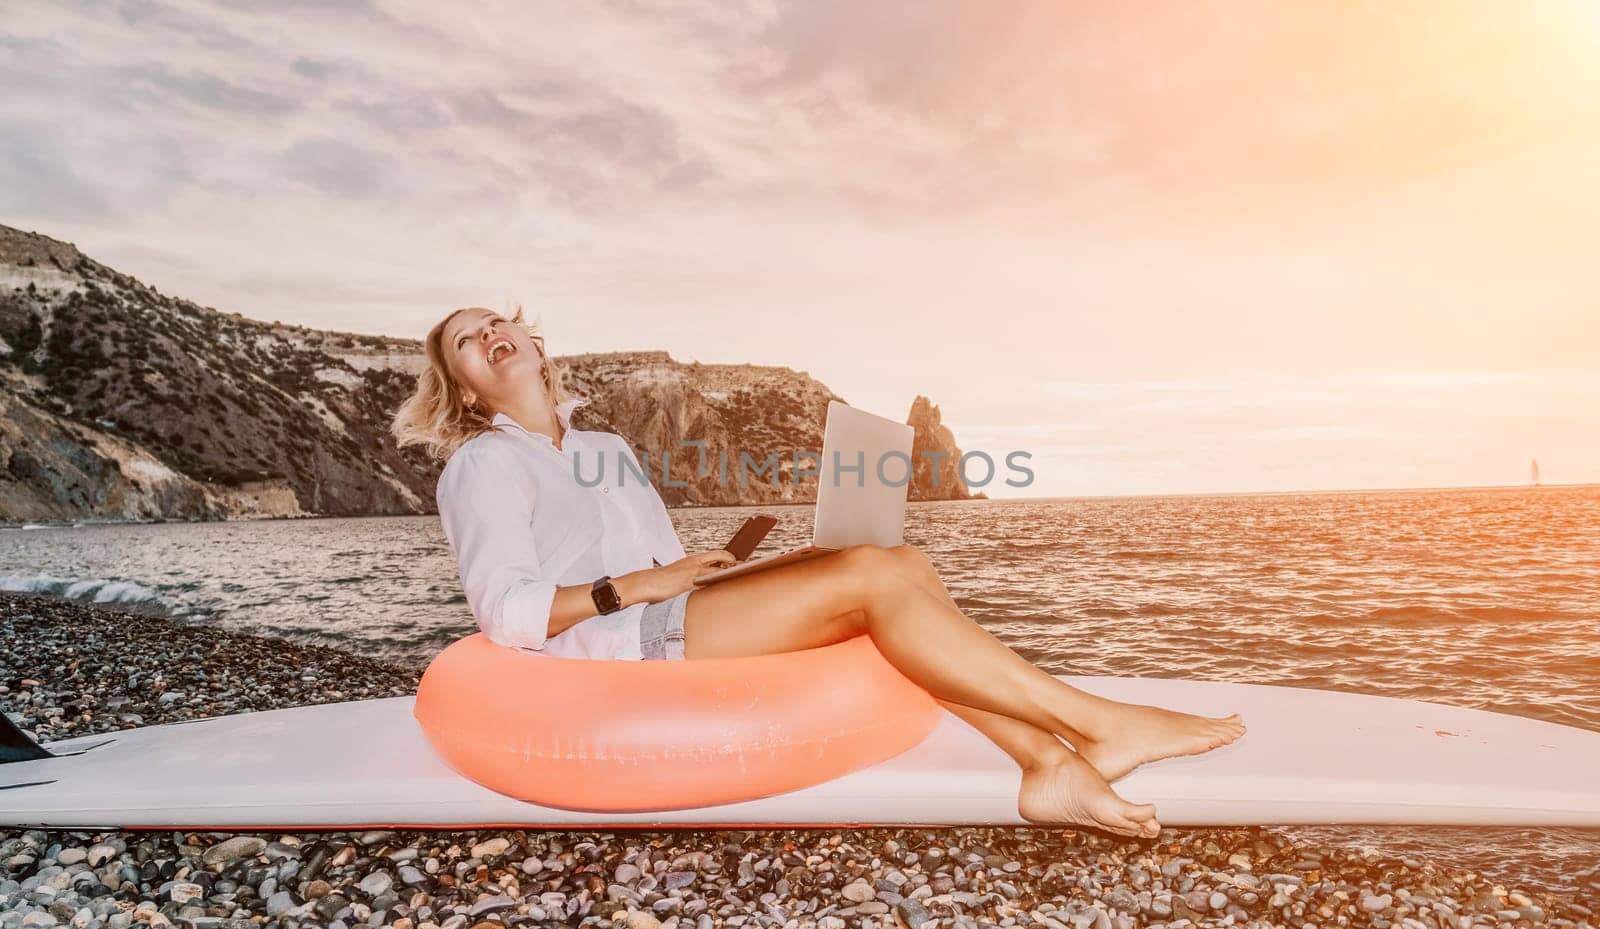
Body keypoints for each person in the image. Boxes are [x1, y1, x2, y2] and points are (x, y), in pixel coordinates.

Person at [392, 305, 1246, 837]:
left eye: (496, 321)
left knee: (891, 557)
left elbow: (649, 561)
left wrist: (727, 568)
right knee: (873, 585)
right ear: (464, 388)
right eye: (467, 340)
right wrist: (635, 587)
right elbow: (505, 610)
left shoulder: (603, 447)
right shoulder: (481, 467)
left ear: (532, 342)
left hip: (671, 608)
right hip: (617, 643)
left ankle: (1046, 765)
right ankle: (1094, 726)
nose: (490, 334)